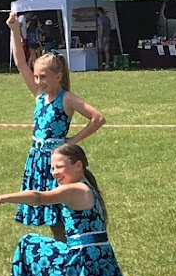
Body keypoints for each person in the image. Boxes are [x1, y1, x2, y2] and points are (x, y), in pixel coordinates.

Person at [0, 144, 159, 276]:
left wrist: (4, 198)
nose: (53, 172)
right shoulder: (88, 186)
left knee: (29, 242)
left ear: (78, 166)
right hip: (102, 259)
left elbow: (39, 197)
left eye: (59, 167)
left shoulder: (75, 190)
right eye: (52, 167)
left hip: (82, 260)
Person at [6, 12, 105, 242]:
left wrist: (72, 141)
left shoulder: (66, 98)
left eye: (43, 77)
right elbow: (21, 63)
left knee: (61, 213)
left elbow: (98, 118)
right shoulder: (39, 95)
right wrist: (14, 30)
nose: (39, 81)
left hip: (57, 161)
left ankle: (71, 249)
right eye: (37, 77)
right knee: (50, 216)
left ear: (58, 76)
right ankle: (62, 251)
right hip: (37, 160)